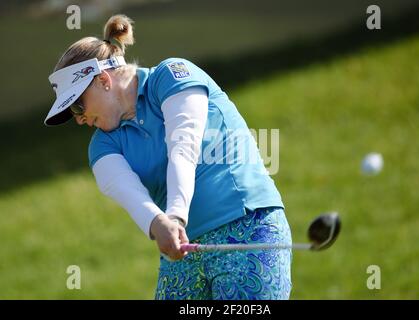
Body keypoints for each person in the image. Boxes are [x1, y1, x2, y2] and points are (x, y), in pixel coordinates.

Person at [45, 14, 292, 300]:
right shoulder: (102, 145)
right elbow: (127, 191)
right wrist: (158, 223)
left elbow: (183, 148)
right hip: (183, 252)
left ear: (103, 80)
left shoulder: (172, 75)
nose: (79, 119)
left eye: (77, 106)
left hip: (246, 226)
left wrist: (174, 217)